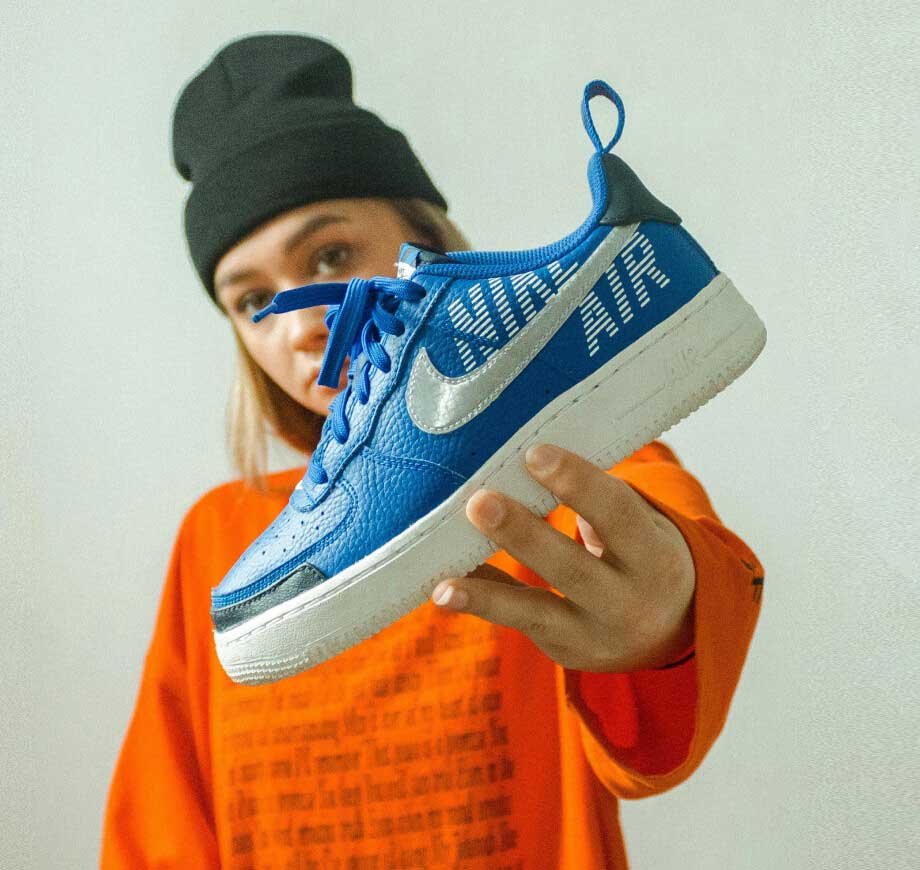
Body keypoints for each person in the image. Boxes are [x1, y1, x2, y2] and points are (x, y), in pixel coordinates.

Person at [101, 32, 765, 869]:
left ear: (430, 251)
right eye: (253, 301)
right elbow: (159, 831)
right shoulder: (217, 538)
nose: (301, 325)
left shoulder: (571, 459)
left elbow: (681, 568)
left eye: (332, 256)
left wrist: (668, 620)